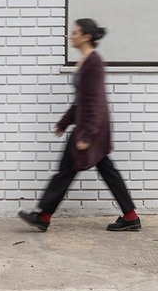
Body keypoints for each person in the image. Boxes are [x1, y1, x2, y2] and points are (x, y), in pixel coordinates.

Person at [18, 17, 141, 232]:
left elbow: (94, 102)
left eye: (74, 33)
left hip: (90, 130)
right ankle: (130, 216)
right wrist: (64, 123)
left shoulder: (93, 62)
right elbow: (81, 101)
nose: (70, 36)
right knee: (106, 171)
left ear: (86, 36)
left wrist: (86, 134)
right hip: (90, 128)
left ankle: (44, 216)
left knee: (65, 171)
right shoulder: (86, 60)